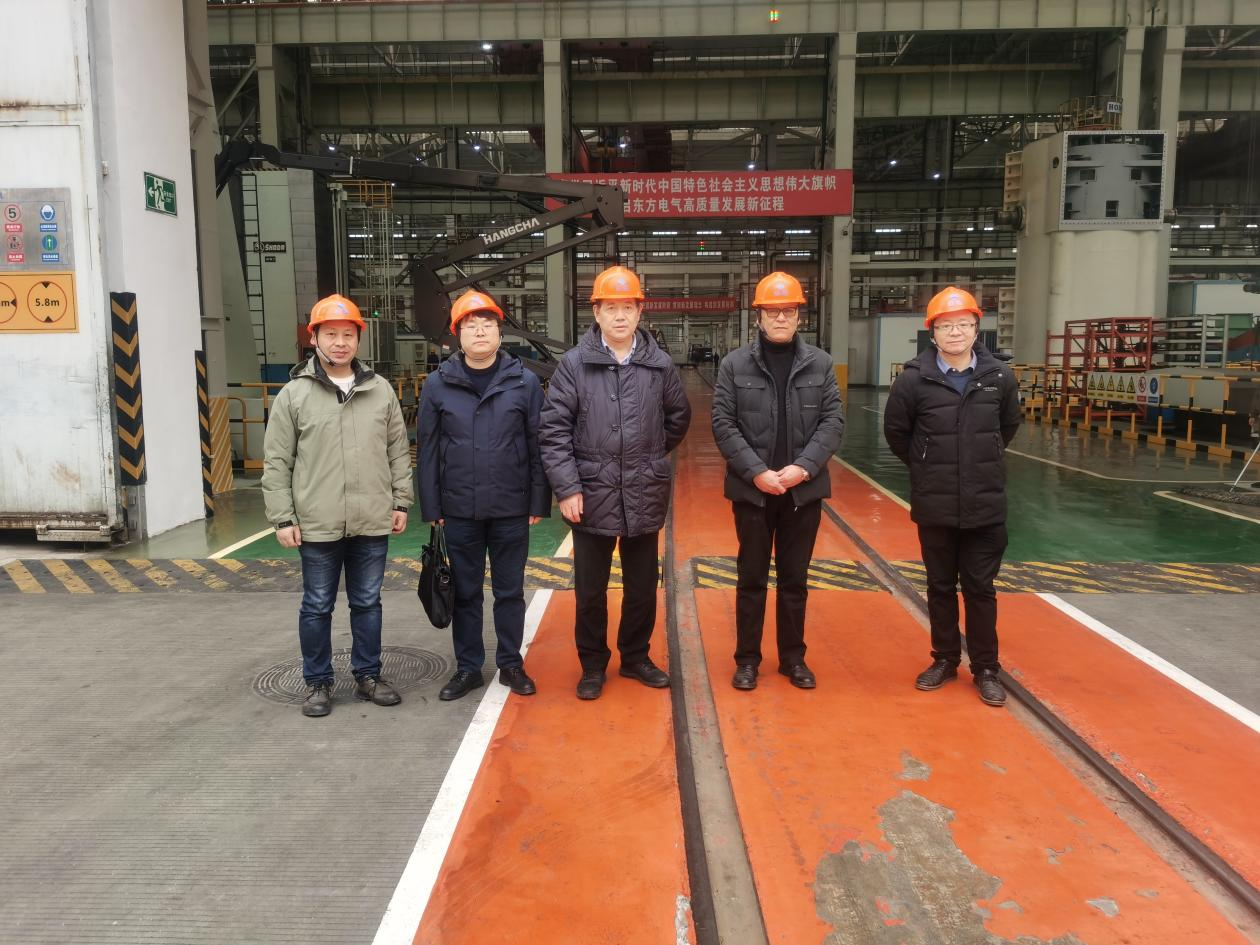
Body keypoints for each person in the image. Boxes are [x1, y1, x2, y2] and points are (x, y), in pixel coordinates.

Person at [539, 265, 692, 700]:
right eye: (611, 308)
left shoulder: (659, 365)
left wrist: (647, 455)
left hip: (644, 489)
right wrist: (568, 487)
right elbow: (553, 430)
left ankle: (635, 657)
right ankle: (592, 665)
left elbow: (678, 417)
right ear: (597, 313)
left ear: (640, 311)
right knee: (590, 590)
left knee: (642, 586)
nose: (620, 316)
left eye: (628, 307)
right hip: (591, 493)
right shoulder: (574, 364)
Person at [262, 294, 413, 718]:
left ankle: (368, 676)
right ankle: (318, 682)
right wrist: (283, 517)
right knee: (317, 605)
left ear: (359, 339)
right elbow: (277, 460)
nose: (340, 343)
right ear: (314, 338)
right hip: (317, 521)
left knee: (367, 602)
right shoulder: (294, 395)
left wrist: (401, 501)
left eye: (348, 334)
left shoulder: (380, 390)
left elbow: (398, 451)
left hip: (372, 519)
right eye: (331, 334)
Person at [883, 286, 1021, 707]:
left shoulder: (1000, 377)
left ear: (977, 328)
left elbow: (1007, 427)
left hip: (985, 503)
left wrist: (978, 461)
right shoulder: (913, 380)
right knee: (940, 586)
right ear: (933, 332)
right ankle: (944, 659)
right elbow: (897, 434)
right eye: (946, 326)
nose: (955, 332)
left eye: (963, 324)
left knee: (980, 588)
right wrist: (928, 465)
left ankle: (986, 668)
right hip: (936, 503)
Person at [711, 272, 845, 691]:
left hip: (802, 491)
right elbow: (723, 423)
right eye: (773, 311)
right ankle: (747, 660)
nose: (781, 317)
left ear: (799, 316)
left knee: (794, 580)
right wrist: (756, 472)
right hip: (753, 492)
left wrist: (804, 468)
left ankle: (793, 659)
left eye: (788, 310)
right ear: (759, 316)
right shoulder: (734, 365)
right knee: (751, 578)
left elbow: (832, 422)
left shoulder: (821, 364)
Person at [416, 289, 551, 701]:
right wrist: (432, 506)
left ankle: (511, 664)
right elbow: (428, 449)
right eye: (471, 325)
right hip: (459, 509)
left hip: (511, 508)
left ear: (499, 333)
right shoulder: (438, 385)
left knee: (510, 591)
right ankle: (468, 668)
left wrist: (538, 501)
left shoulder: (524, 382)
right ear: (457, 334)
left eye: (487, 324)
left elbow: (538, 443)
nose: (479, 331)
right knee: (466, 592)